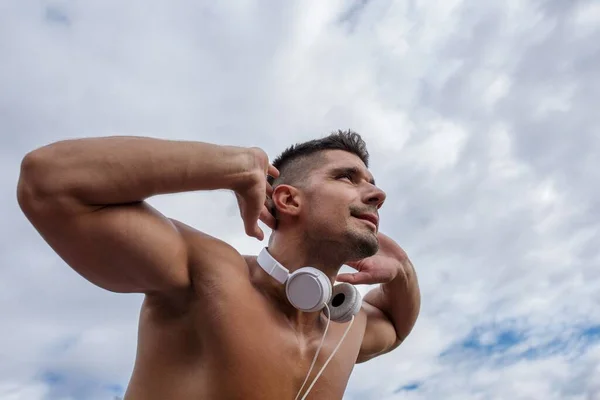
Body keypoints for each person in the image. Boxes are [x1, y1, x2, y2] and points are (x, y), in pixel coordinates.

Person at [17, 130, 421, 399]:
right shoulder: (206, 272)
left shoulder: (346, 326)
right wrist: (233, 165)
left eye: (371, 181)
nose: (376, 193)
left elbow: (398, 327)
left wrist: (402, 269)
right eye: (348, 178)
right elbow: (48, 183)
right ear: (288, 199)